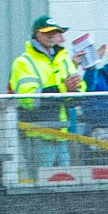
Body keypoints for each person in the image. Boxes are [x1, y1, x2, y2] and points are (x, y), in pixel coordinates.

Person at [9, 16, 85, 170]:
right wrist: (63, 90)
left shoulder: (63, 60)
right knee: (40, 187)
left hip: (62, 135)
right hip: (37, 136)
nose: (52, 35)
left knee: (64, 183)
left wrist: (73, 90)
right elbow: (28, 100)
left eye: (55, 32)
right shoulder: (23, 62)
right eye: (47, 32)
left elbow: (81, 88)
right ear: (36, 34)